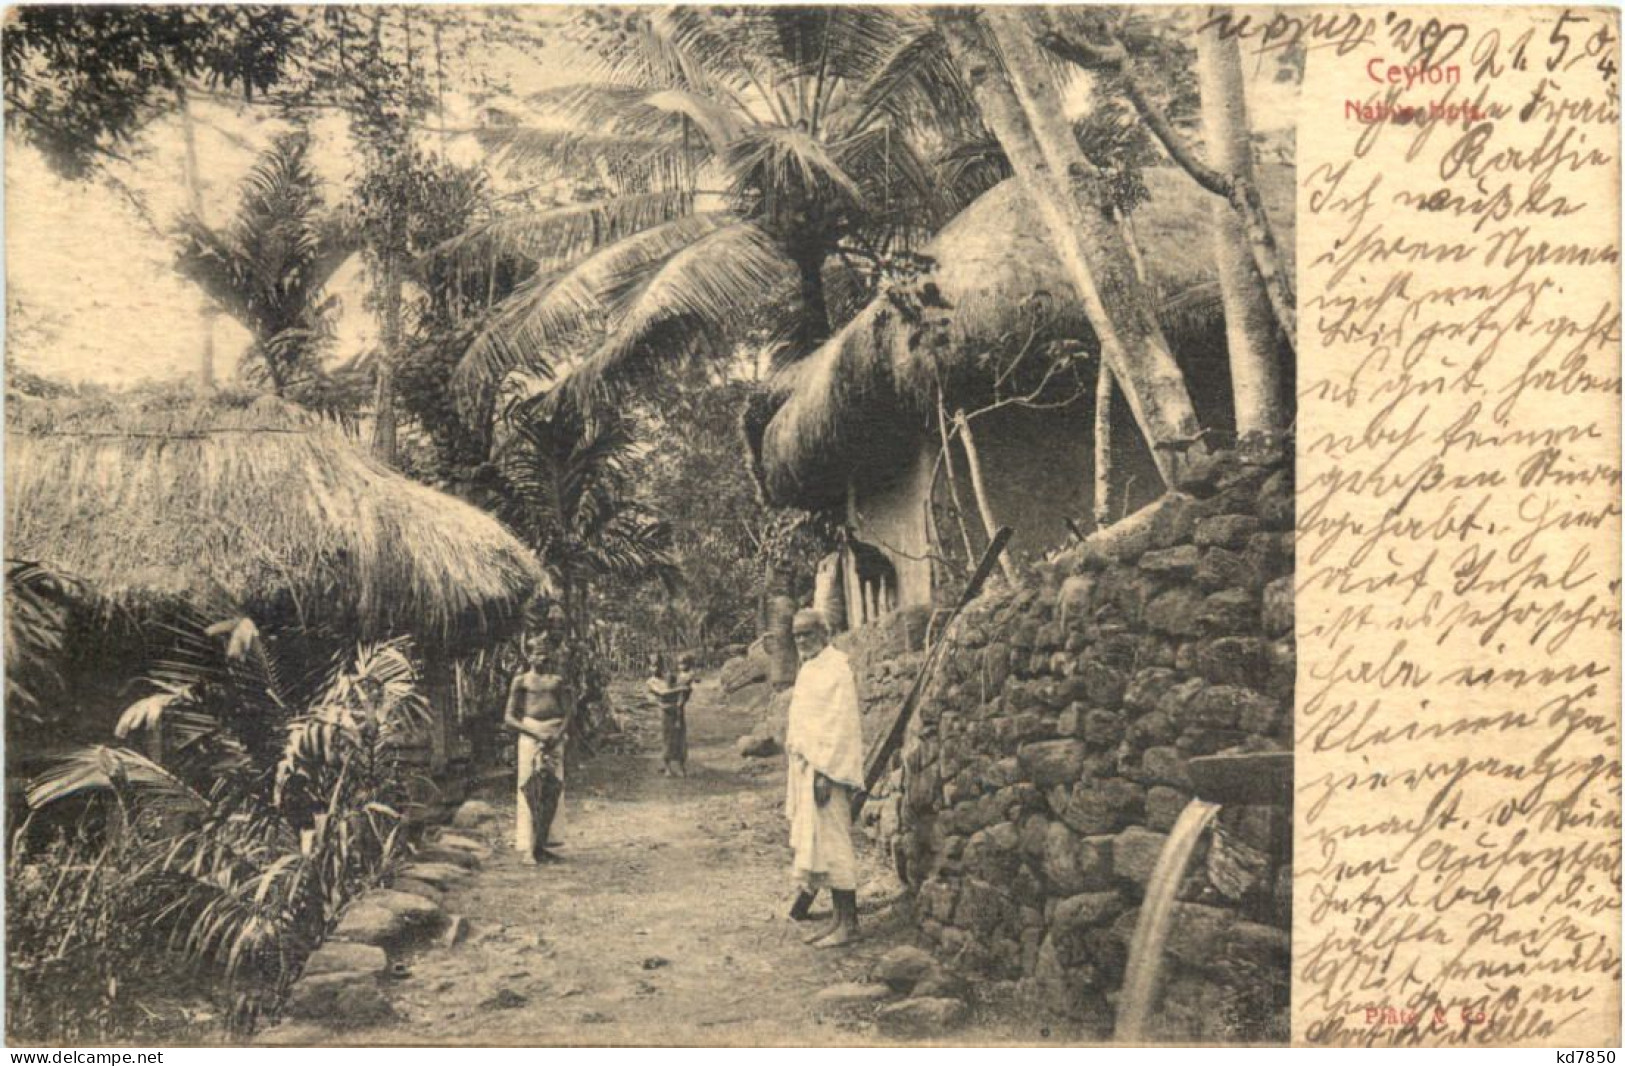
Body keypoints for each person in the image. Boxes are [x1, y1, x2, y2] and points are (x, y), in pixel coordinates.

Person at [784, 608, 864, 947]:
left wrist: (825, 772)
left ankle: (850, 923)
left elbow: (839, 724)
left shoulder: (837, 668)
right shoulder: (810, 668)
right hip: (809, 769)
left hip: (827, 772)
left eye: (807, 633)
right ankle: (836, 919)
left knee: (835, 843)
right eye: (797, 635)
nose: (802, 640)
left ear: (823, 632)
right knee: (820, 847)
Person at [504, 634, 571, 864]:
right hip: (531, 735)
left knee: (552, 790)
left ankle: (543, 845)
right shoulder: (521, 681)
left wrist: (557, 735)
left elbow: (568, 713)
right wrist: (536, 734)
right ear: (528, 656)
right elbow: (509, 718)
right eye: (537, 653)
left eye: (545, 653)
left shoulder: (557, 681)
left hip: (554, 738)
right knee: (530, 790)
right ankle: (529, 847)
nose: (542, 657)